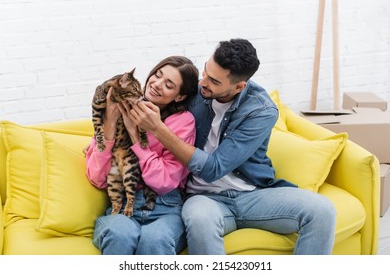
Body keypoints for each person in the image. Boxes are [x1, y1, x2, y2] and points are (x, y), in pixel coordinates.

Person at [127, 38, 337, 255]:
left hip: (252, 194)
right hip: (203, 198)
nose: (203, 83)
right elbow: (159, 96)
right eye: (206, 71)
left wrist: (159, 129)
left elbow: (213, 169)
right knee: (200, 219)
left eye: (214, 81)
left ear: (239, 86)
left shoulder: (261, 110)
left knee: (323, 211)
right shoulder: (197, 92)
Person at [84, 56, 199, 255]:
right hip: (122, 205)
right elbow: (98, 178)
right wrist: (109, 126)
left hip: (166, 207)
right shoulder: (118, 108)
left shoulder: (183, 122)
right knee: (120, 234)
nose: (156, 84)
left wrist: (137, 139)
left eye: (169, 84)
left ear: (179, 96)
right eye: (157, 75)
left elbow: (163, 182)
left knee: (155, 239)